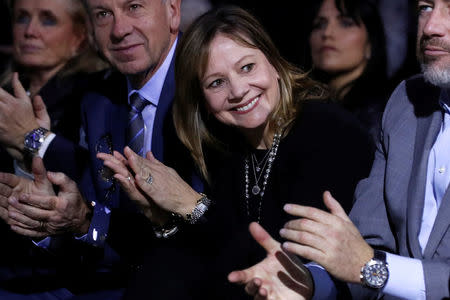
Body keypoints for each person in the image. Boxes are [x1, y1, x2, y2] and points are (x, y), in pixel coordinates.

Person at [96, 6, 374, 299]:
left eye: (247, 67)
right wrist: (160, 217)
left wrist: (192, 205)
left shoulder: (328, 132)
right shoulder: (225, 147)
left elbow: (285, 266)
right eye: (217, 82)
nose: (239, 90)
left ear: (275, 65)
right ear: (202, 101)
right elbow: (210, 256)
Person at [230, 0, 450, 299]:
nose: (431, 26)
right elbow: (366, 246)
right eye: (425, 7)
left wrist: (372, 268)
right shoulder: (407, 102)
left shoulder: (350, 123)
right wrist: (308, 283)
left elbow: (367, 263)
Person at [0, 0, 197, 299]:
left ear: (172, 9)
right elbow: (99, 226)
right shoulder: (99, 103)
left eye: (134, 7)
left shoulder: (208, 84)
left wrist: (34, 139)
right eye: (103, 14)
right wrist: (54, 220)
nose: (119, 30)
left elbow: (210, 236)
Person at [0, 0, 106, 173]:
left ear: (80, 37)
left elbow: (90, 174)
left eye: (48, 20)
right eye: (22, 18)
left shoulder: (92, 99)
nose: (30, 31)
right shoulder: (6, 90)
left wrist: (29, 135)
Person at [308, 0, 389, 142]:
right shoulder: (305, 109)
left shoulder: (381, 116)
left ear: (370, 43)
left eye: (345, 23)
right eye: (319, 25)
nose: (327, 33)